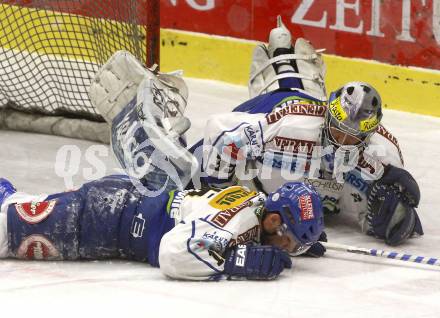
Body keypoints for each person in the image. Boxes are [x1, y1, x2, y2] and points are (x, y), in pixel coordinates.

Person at [196, 17, 423, 246]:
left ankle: (295, 65)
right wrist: (219, 192)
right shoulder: (290, 124)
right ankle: (282, 56)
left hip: (305, 114)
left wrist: (400, 216)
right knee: (192, 168)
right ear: (327, 115)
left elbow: (398, 216)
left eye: (352, 137)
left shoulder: (383, 155)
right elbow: (219, 131)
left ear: (369, 135)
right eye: (337, 130)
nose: (342, 142)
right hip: (275, 107)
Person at [0, 175, 323, 281]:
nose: (289, 250)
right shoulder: (238, 220)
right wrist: (239, 262)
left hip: (125, 198)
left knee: (12, 204)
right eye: (289, 242)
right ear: (274, 221)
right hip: (99, 219)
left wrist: (304, 242)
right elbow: (173, 253)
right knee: (5, 233)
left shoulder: (258, 205)